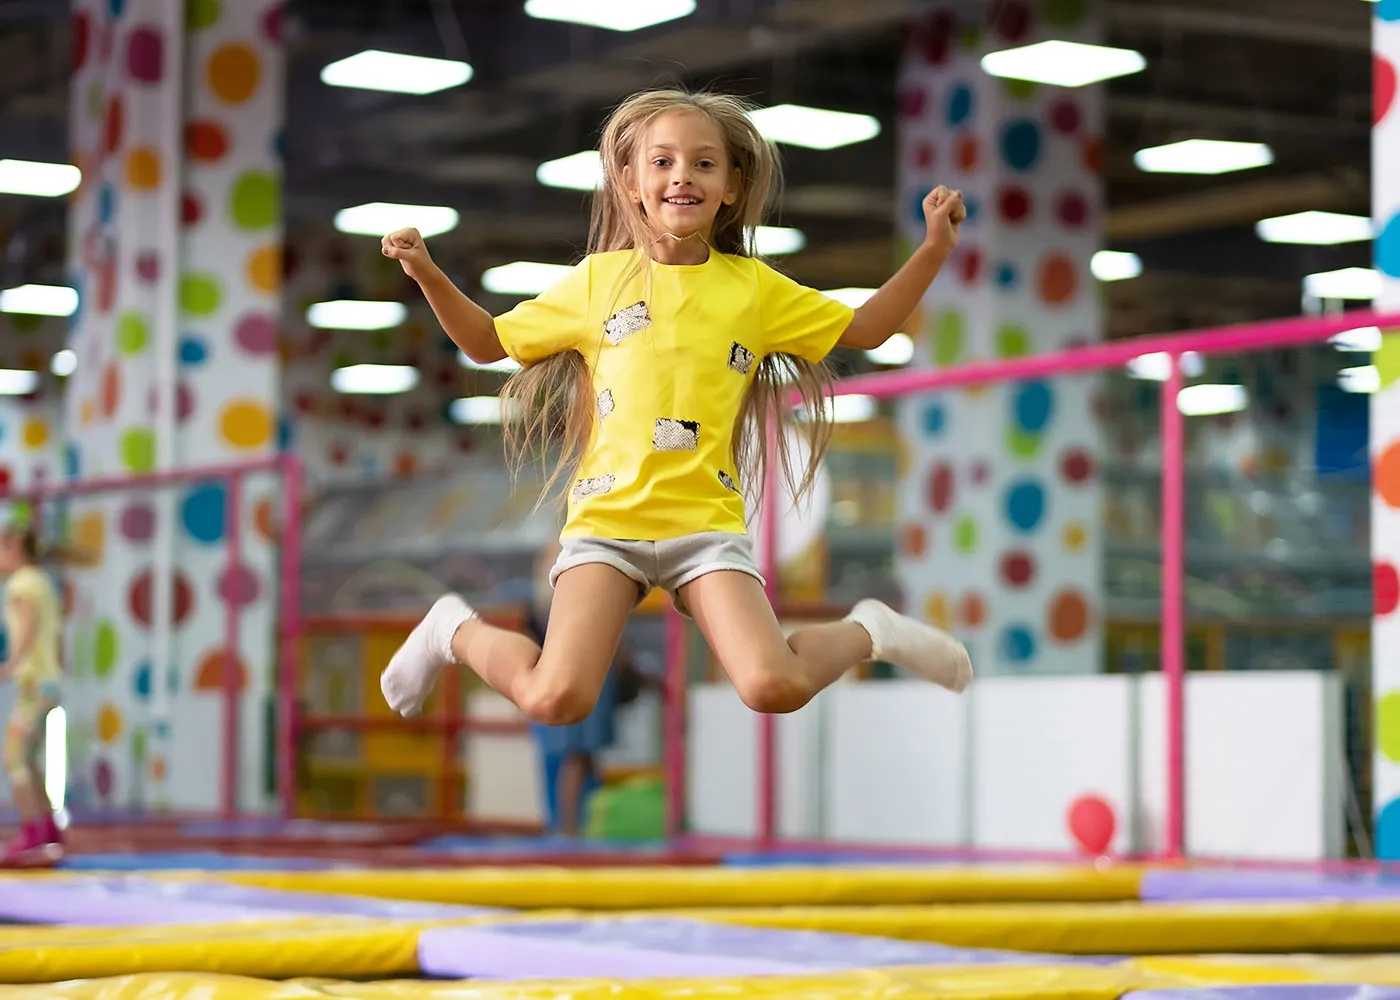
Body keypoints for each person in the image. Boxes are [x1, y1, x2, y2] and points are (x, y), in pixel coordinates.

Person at [379, 87, 972, 730]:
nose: (681, 176)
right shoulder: (598, 283)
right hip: (609, 522)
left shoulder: (753, 290)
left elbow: (868, 328)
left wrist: (934, 248)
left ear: (733, 188)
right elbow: (487, 341)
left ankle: (871, 630)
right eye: (661, 162)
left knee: (773, 685)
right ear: (631, 182)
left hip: (705, 526)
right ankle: (453, 631)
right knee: (557, 698)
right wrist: (427, 272)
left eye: (703, 164)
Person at [523, 538, 649, 836]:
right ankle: (569, 829)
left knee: (579, 756)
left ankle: (573, 827)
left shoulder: (553, 583)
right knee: (577, 755)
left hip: (572, 663)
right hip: (582, 664)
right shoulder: (575, 567)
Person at [0, 523, 65, 864]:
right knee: (29, 758)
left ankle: (31, 833)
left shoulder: (21, 584)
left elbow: (28, 625)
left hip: (32, 683)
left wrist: (10, 664)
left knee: (13, 758)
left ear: (14, 549)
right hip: (50, 681)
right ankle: (48, 827)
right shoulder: (42, 581)